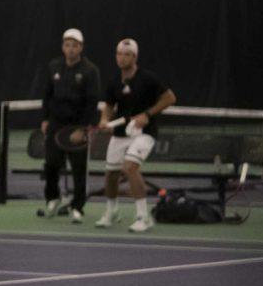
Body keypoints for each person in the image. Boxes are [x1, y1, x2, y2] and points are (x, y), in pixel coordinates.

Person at [96, 38, 175, 233]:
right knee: (111, 174)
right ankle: (112, 212)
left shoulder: (148, 78)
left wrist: (147, 115)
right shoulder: (113, 81)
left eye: (127, 54)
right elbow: (108, 106)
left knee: (130, 167)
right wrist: (104, 120)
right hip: (120, 133)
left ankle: (143, 217)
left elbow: (170, 98)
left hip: (144, 133)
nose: (122, 58)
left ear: (135, 57)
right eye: (119, 54)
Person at [35, 28, 101, 221]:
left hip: (77, 126)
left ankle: (78, 208)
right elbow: (47, 95)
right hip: (56, 124)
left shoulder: (90, 70)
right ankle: (53, 199)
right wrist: (45, 119)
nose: (70, 49)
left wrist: (83, 128)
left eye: (74, 45)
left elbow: (92, 101)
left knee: (79, 169)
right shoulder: (54, 66)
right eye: (67, 45)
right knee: (52, 164)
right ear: (63, 47)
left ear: (80, 48)